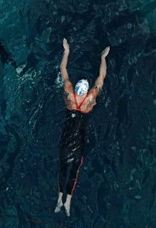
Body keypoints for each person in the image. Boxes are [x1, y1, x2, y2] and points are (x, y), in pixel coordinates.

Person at [55, 39, 109, 217]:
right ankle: (68, 201)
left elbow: (63, 71)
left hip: (66, 136)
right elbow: (101, 77)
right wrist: (103, 58)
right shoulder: (90, 100)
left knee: (63, 167)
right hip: (79, 139)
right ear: (85, 92)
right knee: (74, 170)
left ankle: (59, 199)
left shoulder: (69, 94)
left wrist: (67, 51)